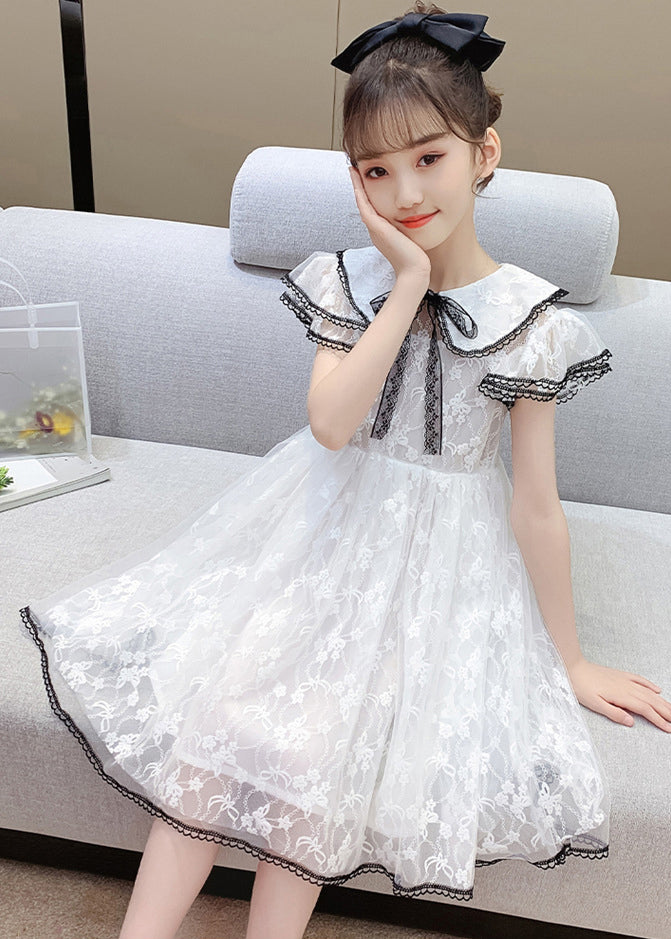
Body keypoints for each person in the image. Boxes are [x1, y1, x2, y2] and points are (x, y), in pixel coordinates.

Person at [18, 4, 671, 939]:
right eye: (375, 169)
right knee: (212, 735)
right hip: (316, 527)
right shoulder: (350, 280)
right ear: (353, 178)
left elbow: (535, 504)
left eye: (429, 157)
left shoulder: (532, 321)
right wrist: (405, 283)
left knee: (316, 766)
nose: (405, 191)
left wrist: (567, 658)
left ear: (484, 153)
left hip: (436, 564)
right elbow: (329, 425)